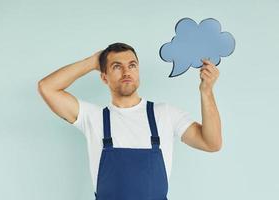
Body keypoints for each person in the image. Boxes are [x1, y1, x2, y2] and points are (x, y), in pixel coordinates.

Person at [38, 42, 222, 200]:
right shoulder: (93, 117)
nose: (126, 71)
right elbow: (47, 88)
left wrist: (206, 91)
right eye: (117, 66)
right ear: (104, 76)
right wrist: (92, 61)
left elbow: (211, 143)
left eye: (132, 65)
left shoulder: (165, 114)